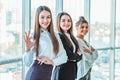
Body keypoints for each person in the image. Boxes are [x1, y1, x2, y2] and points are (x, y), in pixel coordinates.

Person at [23, 6, 67, 80]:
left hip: (47, 75)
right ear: (37, 19)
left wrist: (52, 61)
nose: (45, 20)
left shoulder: (55, 35)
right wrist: (28, 50)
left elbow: (64, 57)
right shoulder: (33, 35)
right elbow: (27, 63)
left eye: (48, 17)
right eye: (42, 17)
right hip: (35, 74)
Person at [56, 12, 82, 80]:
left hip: (72, 72)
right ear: (58, 22)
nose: (66, 23)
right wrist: (77, 56)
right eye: (63, 20)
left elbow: (80, 56)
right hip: (63, 72)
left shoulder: (71, 36)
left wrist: (76, 57)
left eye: (69, 20)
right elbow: (68, 55)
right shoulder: (59, 36)